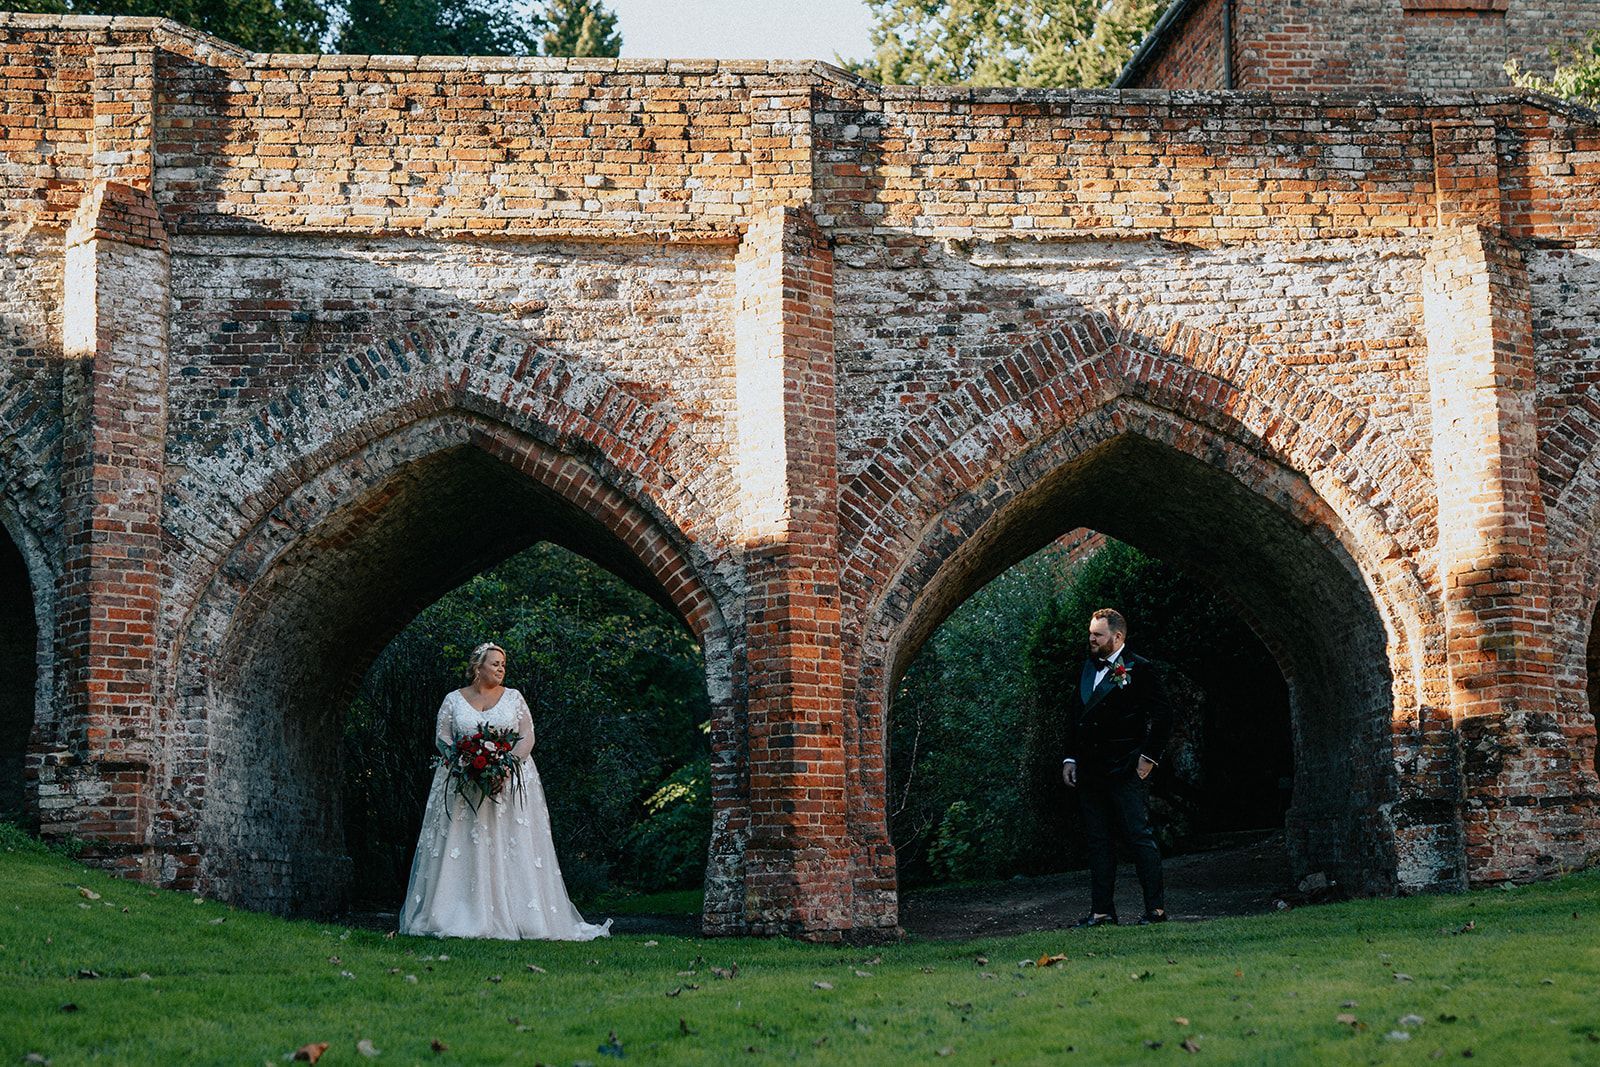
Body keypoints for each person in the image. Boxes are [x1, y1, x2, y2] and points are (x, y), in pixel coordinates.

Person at [398, 642, 612, 940]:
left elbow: (527, 737)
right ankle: (456, 912)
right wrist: (462, 763)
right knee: (463, 842)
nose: (501, 668)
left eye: (503, 664)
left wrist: (507, 765)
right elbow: (443, 736)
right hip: (462, 784)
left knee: (509, 842)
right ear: (478, 667)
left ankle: (521, 916)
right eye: (495, 663)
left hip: (509, 782)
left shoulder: (514, 697)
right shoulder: (453, 699)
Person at [1061, 608, 1172, 927]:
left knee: (1139, 837)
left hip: (1124, 768)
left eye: (1098, 634)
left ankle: (1156, 910)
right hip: (1090, 771)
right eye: (1090, 634)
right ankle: (1102, 911)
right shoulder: (1086, 667)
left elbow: (1163, 715)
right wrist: (1070, 758)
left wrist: (1148, 758)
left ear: (1118, 637)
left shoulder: (1141, 668)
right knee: (1098, 841)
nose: (1091, 639)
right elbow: (1074, 715)